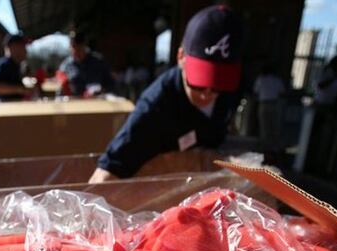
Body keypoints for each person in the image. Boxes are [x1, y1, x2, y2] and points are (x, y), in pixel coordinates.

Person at [89, 5, 243, 183]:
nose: (208, 95)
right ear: (180, 57)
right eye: (198, 85)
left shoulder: (229, 93)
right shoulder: (155, 107)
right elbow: (107, 172)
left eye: (218, 85)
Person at [58, 31, 114, 97]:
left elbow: (111, 84)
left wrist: (101, 90)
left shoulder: (98, 62)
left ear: (84, 46)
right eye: (74, 47)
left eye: (79, 48)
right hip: (75, 102)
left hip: (97, 102)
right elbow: (60, 89)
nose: (76, 51)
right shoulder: (66, 65)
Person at [253, 65, 286, 152]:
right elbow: (282, 92)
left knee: (264, 127)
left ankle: (265, 147)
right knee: (275, 126)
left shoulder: (260, 79)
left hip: (264, 104)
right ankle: (274, 147)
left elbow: (256, 92)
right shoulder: (277, 80)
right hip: (274, 104)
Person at [0, 33, 30, 101]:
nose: (25, 50)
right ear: (13, 47)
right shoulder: (4, 64)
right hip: (5, 109)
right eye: (22, 46)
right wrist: (20, 90)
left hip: (15, 106)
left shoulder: (15, 65)